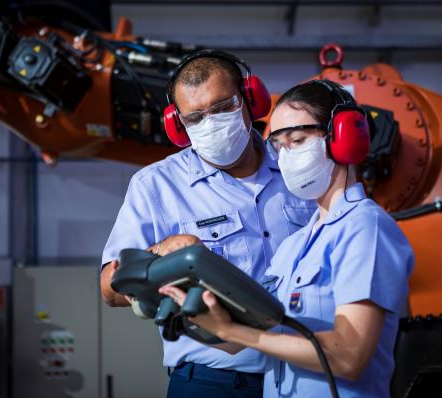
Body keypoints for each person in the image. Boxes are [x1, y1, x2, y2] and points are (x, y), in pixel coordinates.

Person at [160, 80, 415, 398]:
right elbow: (260, 337)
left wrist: (233, 331)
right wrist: (204, 318)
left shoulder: (366, 227)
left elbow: (348, 355)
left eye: (297, 140)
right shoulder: (294, 247)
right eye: (278, 147)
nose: (285, 157)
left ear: (343, 136)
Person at [100, 50, 317, 398]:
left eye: (222, 108)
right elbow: (109, 289)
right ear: (178, 124)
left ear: (251, 99)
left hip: (308, 375)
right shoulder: (156, 186)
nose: (211, 123)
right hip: (215, 381)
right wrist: (158, 255)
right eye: (195, 117)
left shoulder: (301, 170)